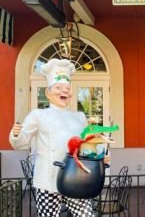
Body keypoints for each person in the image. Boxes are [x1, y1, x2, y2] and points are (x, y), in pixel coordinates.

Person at [9, 59, 99, 217]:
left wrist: (99, 155)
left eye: (67, 88)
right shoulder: (38, 115)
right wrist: (16, 134)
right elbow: (20, 142)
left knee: (86, 215)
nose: (64, 91)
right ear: (47, 93)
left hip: (75, 178)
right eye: (58, 87)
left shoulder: (79, 116)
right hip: (47, 180)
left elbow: (86, 145)